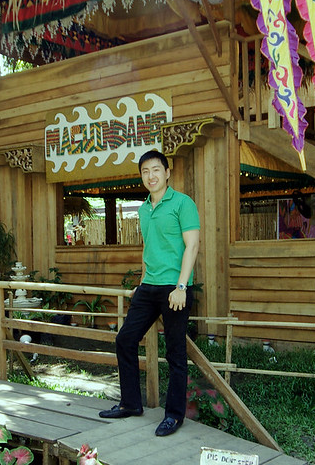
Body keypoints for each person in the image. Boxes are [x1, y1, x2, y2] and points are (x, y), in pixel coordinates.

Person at [98, 149, 200, 437]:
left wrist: (181, 286)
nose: (151, 176)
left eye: (156, 170)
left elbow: (192, 246)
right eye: (145, 171)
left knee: (175, 353)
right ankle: (131, 403)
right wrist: (141, 282)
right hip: (149, 287)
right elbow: (148, 248)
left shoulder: (183, 203)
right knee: (125, 339)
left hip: (175, 288)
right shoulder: (144, 209)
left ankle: (174, 416)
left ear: (167, 173)